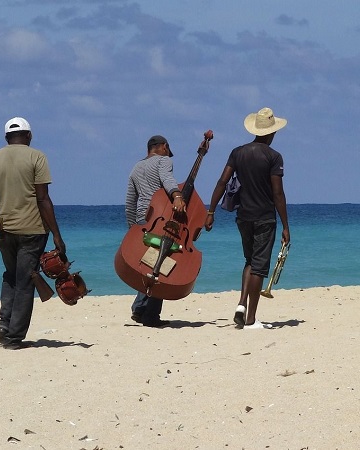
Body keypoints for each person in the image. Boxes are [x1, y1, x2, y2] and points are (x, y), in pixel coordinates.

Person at [0, 117, 65, 350]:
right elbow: (43, 198)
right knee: (25, 281)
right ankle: (14, 337)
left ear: (7, 138)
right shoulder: (37, 157)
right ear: (29, 136)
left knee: (11, 274)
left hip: (3, 230)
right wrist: (56, 234)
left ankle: (4, 324)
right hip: (33, 229)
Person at [204, 107, 290, 329]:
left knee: (250, 261)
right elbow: (278, 193)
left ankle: (241, 304)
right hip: (264, 217)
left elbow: (222, 182)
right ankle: (251, 319)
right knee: (260, 267)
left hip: (243, 217)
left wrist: (211, 211)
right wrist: (286, 225)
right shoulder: (273, 157)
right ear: (271, 132)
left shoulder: (237, 152)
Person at [124, 135, 186, 327]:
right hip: (160, 218)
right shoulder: (163, 160)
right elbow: (167, 179)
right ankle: (151, 316)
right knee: (161, 265)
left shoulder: (136, 167)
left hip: (142, 220)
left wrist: (132, 229)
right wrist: (177, 195)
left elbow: (129, 202)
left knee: (149, 264)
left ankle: (139, 308)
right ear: (164, 147)